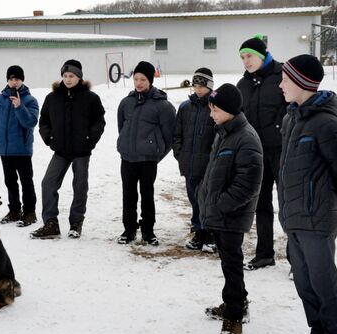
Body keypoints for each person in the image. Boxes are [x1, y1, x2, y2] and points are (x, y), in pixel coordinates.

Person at [278, 54, 337, 334]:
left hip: (317, 220)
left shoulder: (326, 124)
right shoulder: (291, 119)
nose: (281, 85)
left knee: (324, 284)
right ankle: (318, 333)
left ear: (302, 83)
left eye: (286, 80)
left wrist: (335, 200)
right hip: (295, 218)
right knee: (305, 282)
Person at [198, 83, 263, 334]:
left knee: (233, 265)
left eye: (214, 109)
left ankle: (234, 318)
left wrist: (222, 205)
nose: (211, 113)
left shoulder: (246, 138)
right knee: (228, 263)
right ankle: (238, 303)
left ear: (229, 110)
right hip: (220, 212)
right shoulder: (223, 133)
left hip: (232, 215)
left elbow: (248, 183)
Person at [31, 59, 106, 239]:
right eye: (65, 76)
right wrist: (49, 138)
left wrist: (90, 139)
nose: (68, 79)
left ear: (79, 77)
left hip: (82, 150)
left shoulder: (91, 98)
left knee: (80, 186)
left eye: (71, 76)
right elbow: (44, 121)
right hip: (61, 150)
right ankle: (51, 223)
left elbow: (99, 121)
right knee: (48, 183)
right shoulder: (53, 98)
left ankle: (76, 223)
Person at [237, 34, 288, 271]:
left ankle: (297, 259)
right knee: (261, 203)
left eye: (249, 56)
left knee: (288, 204)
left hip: (283, 150)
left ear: (262, 55)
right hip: (257, 151)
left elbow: (293, 107)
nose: (245, 61)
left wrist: (280, 129)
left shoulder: (283, 76)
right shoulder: (243, 84)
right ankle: (265, 253)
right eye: (242, 57)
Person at [116, 61, 176, 246]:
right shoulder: (126, 102)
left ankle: (148, 231)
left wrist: (156, 154)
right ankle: (129, 229)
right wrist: (126, 146)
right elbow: (122, 127)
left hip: (148, 160)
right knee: (128, 195)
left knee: (147, 194)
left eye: (143, 79)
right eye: (136, 79)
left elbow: (170, 136)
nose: (139, 83)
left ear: (150, 80)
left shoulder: (162, 105)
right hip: (128, 158)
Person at [0, 65, 39, 227]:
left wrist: (19, 106)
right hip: (5, 149)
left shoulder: (30, 100)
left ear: (22, 80)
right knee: (10, 181)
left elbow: (30, 122)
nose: (14, 82)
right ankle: (15, 210)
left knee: (26, 181)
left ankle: (30, 212)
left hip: (22, 150)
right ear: (7, 81)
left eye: (17, 79)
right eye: (11, 79)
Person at [173, 67, 217, 252]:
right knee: (193, 198)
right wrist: (180, 153)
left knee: (207, 199)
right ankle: (198, 230)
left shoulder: (215, 106)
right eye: (195, 85)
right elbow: (177, 134)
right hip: (189, 163)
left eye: (202, 85)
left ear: (209, 86)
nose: (198, 89)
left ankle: (211, 233)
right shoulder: (184, 107)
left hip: (208, 164)